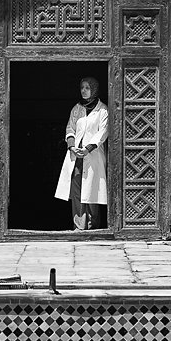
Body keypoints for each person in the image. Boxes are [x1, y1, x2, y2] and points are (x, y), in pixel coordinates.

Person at [55, 76, 108, 230]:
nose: (83, 91)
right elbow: (70, 128)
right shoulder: (76, 109)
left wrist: (88, 148)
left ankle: (92, 226)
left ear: (94, 89)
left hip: (92, 156)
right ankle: (79, 226)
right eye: (82, 87)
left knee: (92, 191)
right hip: (76, 156)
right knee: (77, 192)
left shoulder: (102, 110)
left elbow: (103, 131)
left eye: (87, 88)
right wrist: (72, 147)